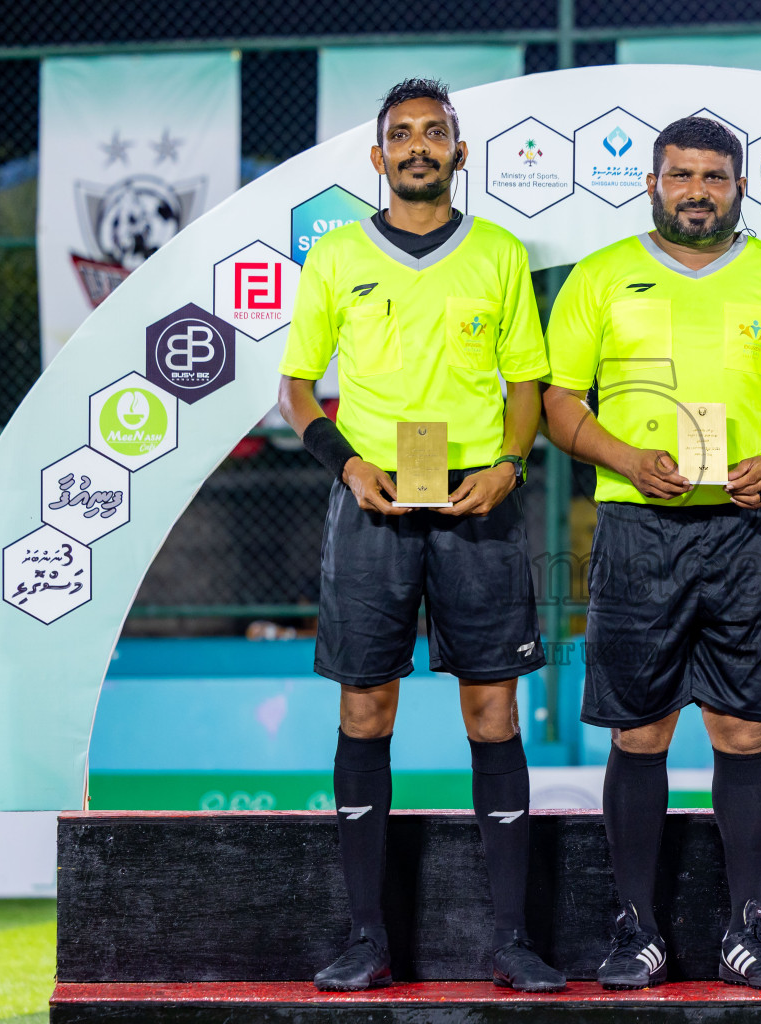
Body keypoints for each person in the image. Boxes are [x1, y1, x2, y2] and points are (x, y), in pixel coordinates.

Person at [277, 78, 565, 993]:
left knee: (494, 713)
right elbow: (296, 389)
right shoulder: (335, 258)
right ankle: (368, 940)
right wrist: (346, 463)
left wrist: (511, 466)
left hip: (480, 506)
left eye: (433, 133)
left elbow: (526, 385)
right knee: (366, 712)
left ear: (459, 151)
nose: (417, 147)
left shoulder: (499, 252)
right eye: (400, 135)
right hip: (373, 508)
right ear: (377, 157)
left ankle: (512, 941)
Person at [541, 117, 761, 991]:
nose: (696, 189)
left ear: (741, 186)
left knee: (743, 729)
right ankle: (637, 930)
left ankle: (751, 932)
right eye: (680, 175)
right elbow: (559, 403)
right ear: (653, 184)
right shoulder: (599, 277)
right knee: (642, 730)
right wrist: (627, 458)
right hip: (637, 527)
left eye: (713, 175)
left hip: (743, 528)